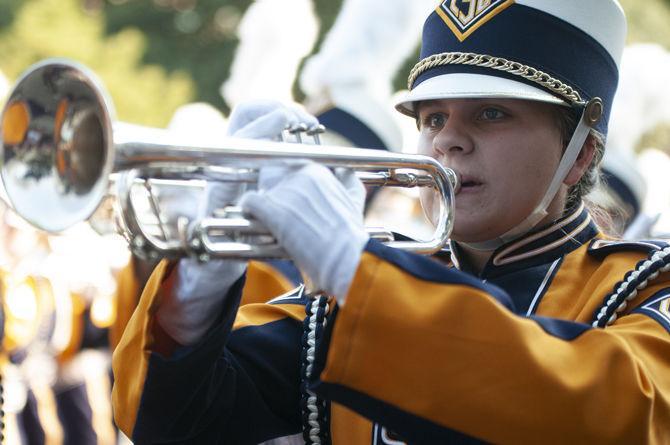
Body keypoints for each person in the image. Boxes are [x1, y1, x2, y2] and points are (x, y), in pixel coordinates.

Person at [112, 1, 670, 444]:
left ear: (578, 155)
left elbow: (610, 414)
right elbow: (167, 422)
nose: (448, 138)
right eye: (432, 117)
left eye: (492, 113)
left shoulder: (645, 287)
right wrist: (197, 288)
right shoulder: (351, 296)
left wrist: (355, 271)